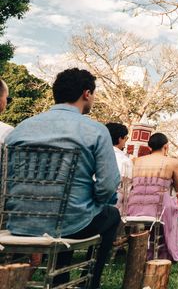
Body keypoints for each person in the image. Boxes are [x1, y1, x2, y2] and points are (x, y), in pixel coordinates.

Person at [5, 68, 120, 289]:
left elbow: (6, 178)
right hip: (71, 223)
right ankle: (90, 283)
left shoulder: (20, 129)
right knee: (110, 214)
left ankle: (60, 280)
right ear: (87, 93)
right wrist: (93, 200)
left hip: (19, 221)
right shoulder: (95, 130)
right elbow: (107, 185)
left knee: (72, 211)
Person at [128, 132, 178, 262]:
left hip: (134, 207)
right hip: (159, 209)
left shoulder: (136, 161)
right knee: (172, 204)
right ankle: (166, 251)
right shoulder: (172, 162)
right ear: (166, 146)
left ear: (150, 147)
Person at [106, 122, 133, 208]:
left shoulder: (95, 154)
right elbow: (127, 188)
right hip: (115, 205)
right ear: (120, 139)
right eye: (125, 138)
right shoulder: (125, 160)